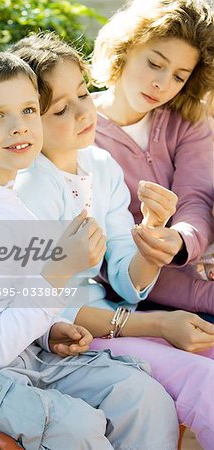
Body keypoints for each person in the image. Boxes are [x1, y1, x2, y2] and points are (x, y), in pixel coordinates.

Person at [0, 50, 180, 450]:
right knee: (77, 427)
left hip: (16, 361)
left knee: (139, 393)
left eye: (29, 110)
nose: (19, 127)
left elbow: (3, 304)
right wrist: (60, 269)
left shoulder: (1, 195)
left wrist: (48, 333)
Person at [12, 32, 214, 449]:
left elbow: (126, 281)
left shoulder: (99, 165)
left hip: (117, 320)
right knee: (203, 379)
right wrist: (159, 323)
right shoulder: (29, 187)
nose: (85, 112)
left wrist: (152, 235)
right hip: (70, 340)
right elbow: (47, 310)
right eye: (61, 109)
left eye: (84, 95)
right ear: (27, 120)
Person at [91, 0, 214, 314]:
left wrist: (180, 240)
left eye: (179, 76)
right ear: (126, 48)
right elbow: (107, 252)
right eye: (155, 63)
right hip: (132, 272)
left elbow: (195, 196)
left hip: (194, 250)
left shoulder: (187, 120)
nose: (162, 84)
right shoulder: (77, 128)